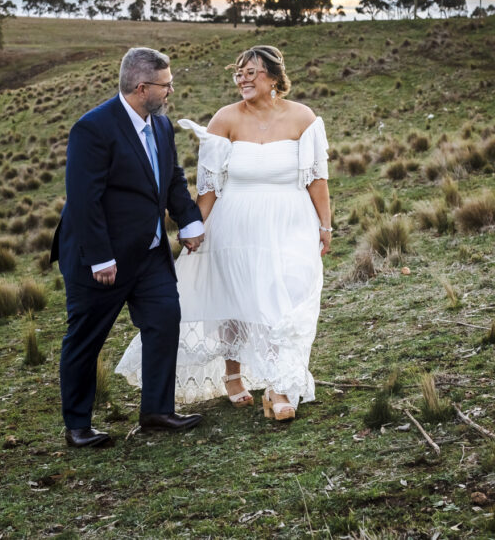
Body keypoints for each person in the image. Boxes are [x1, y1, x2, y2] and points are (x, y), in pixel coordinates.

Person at [117, 45, 331, 421]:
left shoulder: (304, 118)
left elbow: (317, 178)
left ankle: (280, 383)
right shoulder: (225, 119)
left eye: (251, 72)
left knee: (290, 297)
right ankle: (236, 376)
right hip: (235, 222)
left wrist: (325, 224)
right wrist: (194, 228)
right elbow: (209, 186)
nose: (242, 80)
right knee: (237, 299)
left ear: (274, 77)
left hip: (291, 222)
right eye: (239, 73)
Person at [50, 47, 207, 448]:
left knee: (164, 320)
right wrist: (100, 257)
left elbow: (172, 177)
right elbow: (84, 199)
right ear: (141, 88)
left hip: (150, 253)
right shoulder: (93, 129)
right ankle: (78, 426)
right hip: (101, 257)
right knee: (86, 338)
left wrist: (189, 220)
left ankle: (157, 411)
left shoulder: (162, 125)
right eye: (166, 85)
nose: (171, 91)